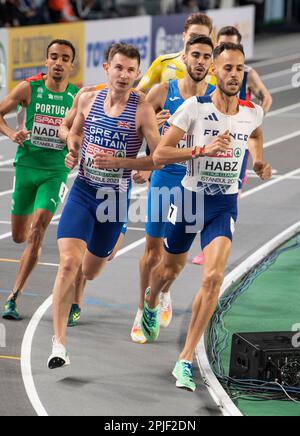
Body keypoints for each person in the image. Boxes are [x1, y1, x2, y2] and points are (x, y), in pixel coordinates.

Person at [141, 42, 272, 392]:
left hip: (223, 205)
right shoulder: (193, 108)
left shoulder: (252, 111)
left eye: (239, 68)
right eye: (227, 68)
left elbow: (256, 134)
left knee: (213, 278)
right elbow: (161, 154)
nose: (233, 74)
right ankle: (151, 302)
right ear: (215, 71)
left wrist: (258, 160)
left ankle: (184, 360)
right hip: (189, 198)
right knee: (169, 270)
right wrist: (202, 150)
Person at [47, 43, 161, 369]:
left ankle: (119, 232)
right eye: (118, 67)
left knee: (91, 270)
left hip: (113, 199)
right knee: (68, 264)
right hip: (83, 190)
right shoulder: (86, 97)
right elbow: (68, 129)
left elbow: (158, 157)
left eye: (130, 70)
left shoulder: (141, 110)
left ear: (138, 73)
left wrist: (131, 164)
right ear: (106, 68)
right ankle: (58, 345)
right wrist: (71, 147)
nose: (124, 75)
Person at [131, 35, 215, 344]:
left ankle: (163, 292)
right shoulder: (163, 91)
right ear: (185, 57)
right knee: (152, 248)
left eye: (206, 56)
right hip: (165, 176)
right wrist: (147, 158)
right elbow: (138, 121)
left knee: (175, 253)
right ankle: (143, 310)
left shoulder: (216, 98)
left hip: (195, 183)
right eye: (195, 55)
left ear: (212, 62)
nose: (200, 61)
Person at [0, 40, 79, 320]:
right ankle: (34, 214)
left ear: (72, 65)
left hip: (54, 172)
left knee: (38, 230)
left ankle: (13, 297)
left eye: (64, 58)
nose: (58, 62)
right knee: (20, 236)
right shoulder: (28, 89)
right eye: (54, 57)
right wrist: (11, 134)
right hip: (26, 167)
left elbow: (83, 131)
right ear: (46, 61)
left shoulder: (76, 96)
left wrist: (73, 148)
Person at [192, 26, 273, 267]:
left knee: (230, 192)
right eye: (222, 44)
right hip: (205, 148)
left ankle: (213, 243)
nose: (233, 72)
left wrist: (253, 120)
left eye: (230, 43)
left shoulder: (249, 73)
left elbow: (266, 97)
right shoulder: (211, 77)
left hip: (237, 141)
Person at [137, 12, 213, 94]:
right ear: (184, 36)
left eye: (202, 37)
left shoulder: (216, 69)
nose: (197, 41)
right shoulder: (164, 62)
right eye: (193, 36)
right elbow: (138, 93)